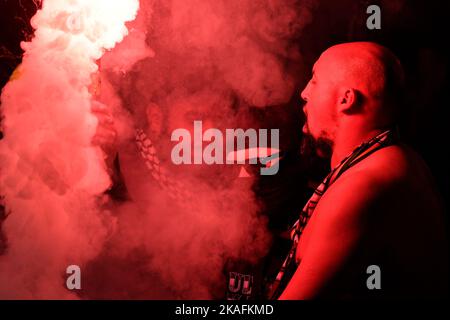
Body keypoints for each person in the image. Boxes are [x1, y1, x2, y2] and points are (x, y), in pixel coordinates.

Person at [268, 42, 448, 299]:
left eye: (315, 80)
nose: (304, 93)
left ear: (346, 99)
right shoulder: (387, 159)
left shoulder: (364, 187)